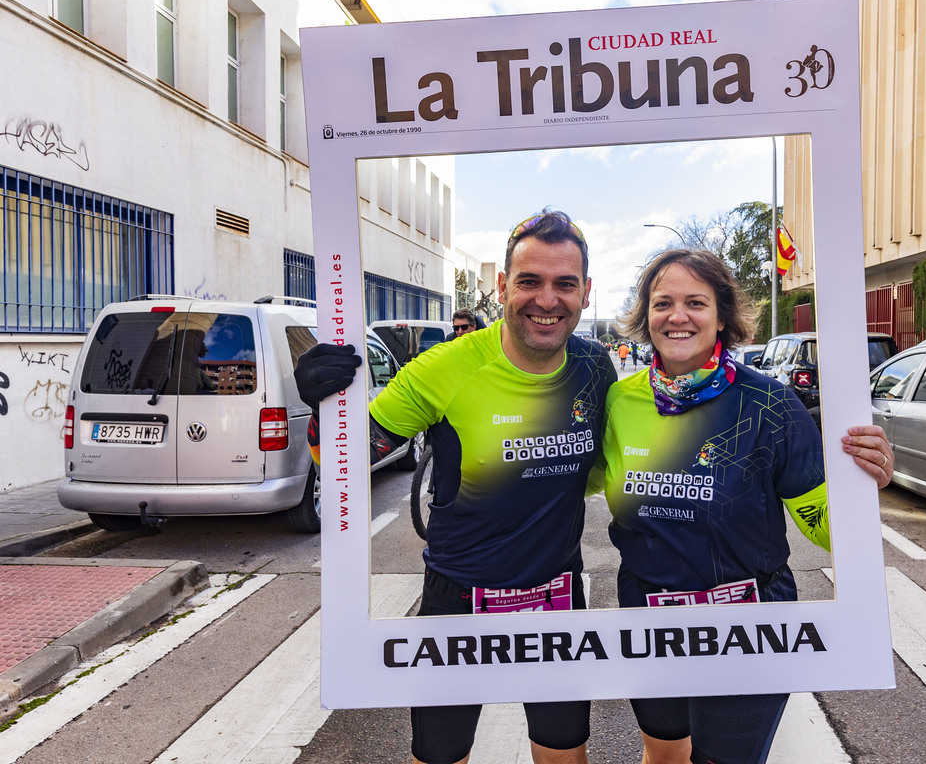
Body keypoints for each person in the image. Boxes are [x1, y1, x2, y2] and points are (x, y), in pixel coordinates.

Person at [295, 210, 615, 764]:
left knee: (565, 755)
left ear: (586, 293)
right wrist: (321, 412)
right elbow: (347, 461)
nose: (547, 299)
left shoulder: (593, 366)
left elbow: (607, 465)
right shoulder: (442, 367)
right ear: (502, 287)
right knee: (440, 757)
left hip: (557, 597)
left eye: (565, 284)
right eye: (529, 281)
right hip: (458, 600)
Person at [592, 248, 893, 764]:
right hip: (648, 618)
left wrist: (862, 489)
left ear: (723, 317)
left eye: (696, 302)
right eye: (663, 302)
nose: (678, 315)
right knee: (663, 753)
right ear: (646, 317)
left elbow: (823, 529)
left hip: (749, 621)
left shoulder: (771, 404)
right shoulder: (621, 403)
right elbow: (575, 481)